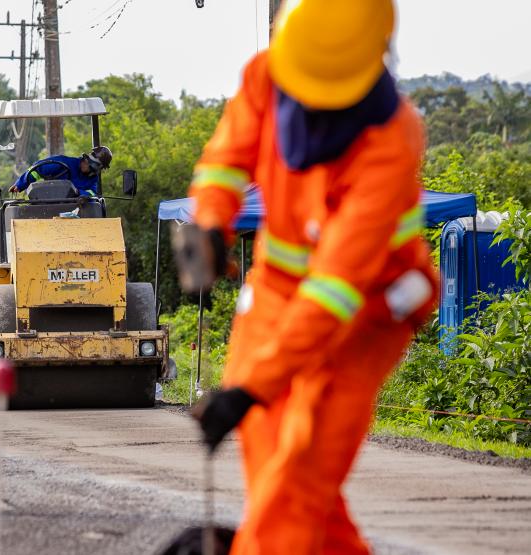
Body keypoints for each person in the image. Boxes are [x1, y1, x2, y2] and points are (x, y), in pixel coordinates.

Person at [173, 1, 439, 553]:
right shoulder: (269, 73)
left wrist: (249, 388)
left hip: (365, 313)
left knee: (296, 473)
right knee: (279, 467)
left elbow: (332, 292)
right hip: (276, 289)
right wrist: (209, 222)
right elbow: (224, 162)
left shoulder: (391, 142)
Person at [9, 146, 112, 197]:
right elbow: (36, 170)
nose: (86, 165)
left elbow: (92, 193)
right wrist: (20, 184)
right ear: (86, 159)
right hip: (48, 203)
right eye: (86, 162)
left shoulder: (93, 178)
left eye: (93, 170)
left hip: (75, 211)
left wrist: (79, 193)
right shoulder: (63, 162)